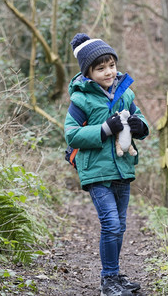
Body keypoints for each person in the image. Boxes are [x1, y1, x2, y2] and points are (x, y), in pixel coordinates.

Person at [64, 33, 149, 296]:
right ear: (88, 73)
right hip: (96, 171)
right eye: (100, 68)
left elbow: (141, 120)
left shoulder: (125, 93)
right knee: (111, 223)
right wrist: (104, 128)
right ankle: (107, 280)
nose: (109, 72)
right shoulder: (82, 99)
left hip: (123, 168)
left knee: (120, 224)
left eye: (111, 65)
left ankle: (114, 275)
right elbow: (72, 134)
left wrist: (140, 125)